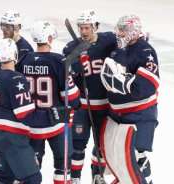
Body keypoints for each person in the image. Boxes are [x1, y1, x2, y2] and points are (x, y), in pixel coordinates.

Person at [17, 20, 80, 184]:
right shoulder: (59, 61)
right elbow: (71, 97)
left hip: (31, 124)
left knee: (32, 168)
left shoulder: (23, 60)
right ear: (50, 38)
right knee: (63, 166)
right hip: (56, 123)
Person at [0, 38, 41, 184]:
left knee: (5, 178)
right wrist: (54, 116)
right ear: (15, 55)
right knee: (32, 179)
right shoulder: (16, 79)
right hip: (12, 135)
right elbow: (24, 114)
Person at [100, 15, 159, 184]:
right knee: (120, 158)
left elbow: (148, 84)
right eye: (118, 29)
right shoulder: (119, 49)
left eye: (122, 29)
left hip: (140, 116)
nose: (119, 33)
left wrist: (124, 84)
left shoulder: (145, 50)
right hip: (119, 115)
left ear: (133, 31)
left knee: (136, 155)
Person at [62, 10, 117, 183]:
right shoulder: (72, 47)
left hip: (104, 106)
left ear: (96, 27)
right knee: (77, 145)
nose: (84, 31)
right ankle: (76, 178)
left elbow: (124, 48)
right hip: (82, 107)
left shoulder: (109, 41)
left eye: (87, 27)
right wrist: (76, 61)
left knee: (101, 145)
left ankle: (98, 176)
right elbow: (64, 70)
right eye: (81, 28)